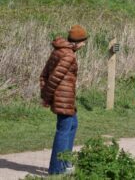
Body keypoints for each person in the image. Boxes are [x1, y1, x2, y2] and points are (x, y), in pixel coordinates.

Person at [40, 25, 88, 175]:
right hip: (63, 99)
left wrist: (46, 94)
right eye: (83, 41)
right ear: (77, 42)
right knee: (63, 131)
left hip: (64, 99)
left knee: (72, 124)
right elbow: (53, 79)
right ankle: (56, 170)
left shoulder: (59, 50)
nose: (84, 44)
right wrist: (47, 98)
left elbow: (44, 74)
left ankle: (65, 162)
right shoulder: (68, 56)